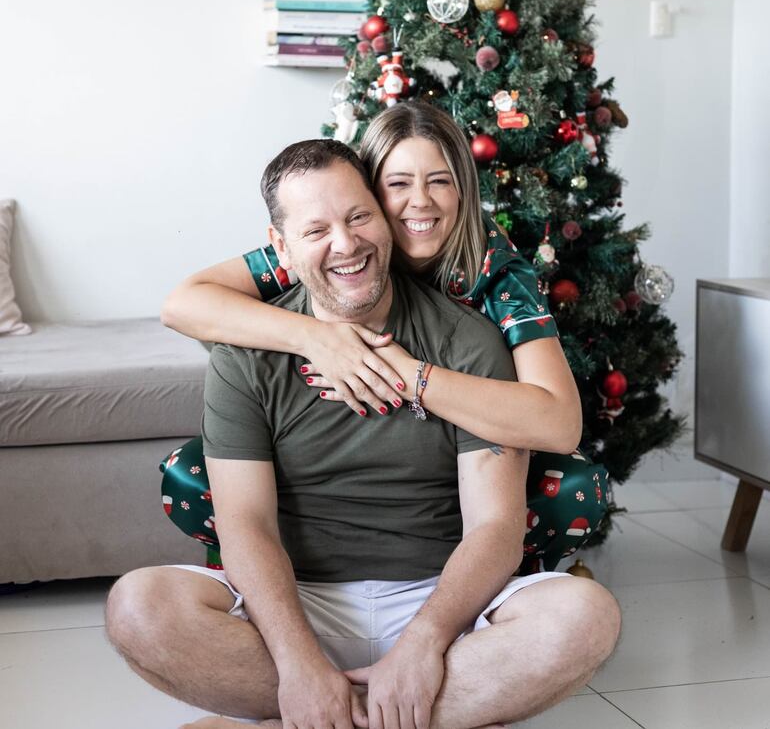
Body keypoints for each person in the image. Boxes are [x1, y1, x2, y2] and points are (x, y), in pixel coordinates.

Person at [106, 139, 621, 729]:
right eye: (316, 230)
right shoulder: (244, 353)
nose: (346, 245)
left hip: (440, 602)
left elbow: (496, 527)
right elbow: (244, 523)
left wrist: (425, 641)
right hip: (298, 602)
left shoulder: (468, 338)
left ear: (382, 216)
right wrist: (298, 662)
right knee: (137, 607)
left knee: (586, 615)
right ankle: (385, 712)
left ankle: (313, 718)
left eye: (358, 217)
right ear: (281, 247)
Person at [159, 102, 609, 575]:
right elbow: (182, 304)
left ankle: (525, 575)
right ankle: (240, 579)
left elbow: (559, 425)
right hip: (363, 472)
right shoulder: (343, 242)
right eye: (397, 184)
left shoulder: (496, 271)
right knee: (193, 473)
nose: (420, 201)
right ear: (369, 190)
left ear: (463, 189)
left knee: (574, 482)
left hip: (483, 450)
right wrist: (316, 338)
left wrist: (408, 376)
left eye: (440, 180)